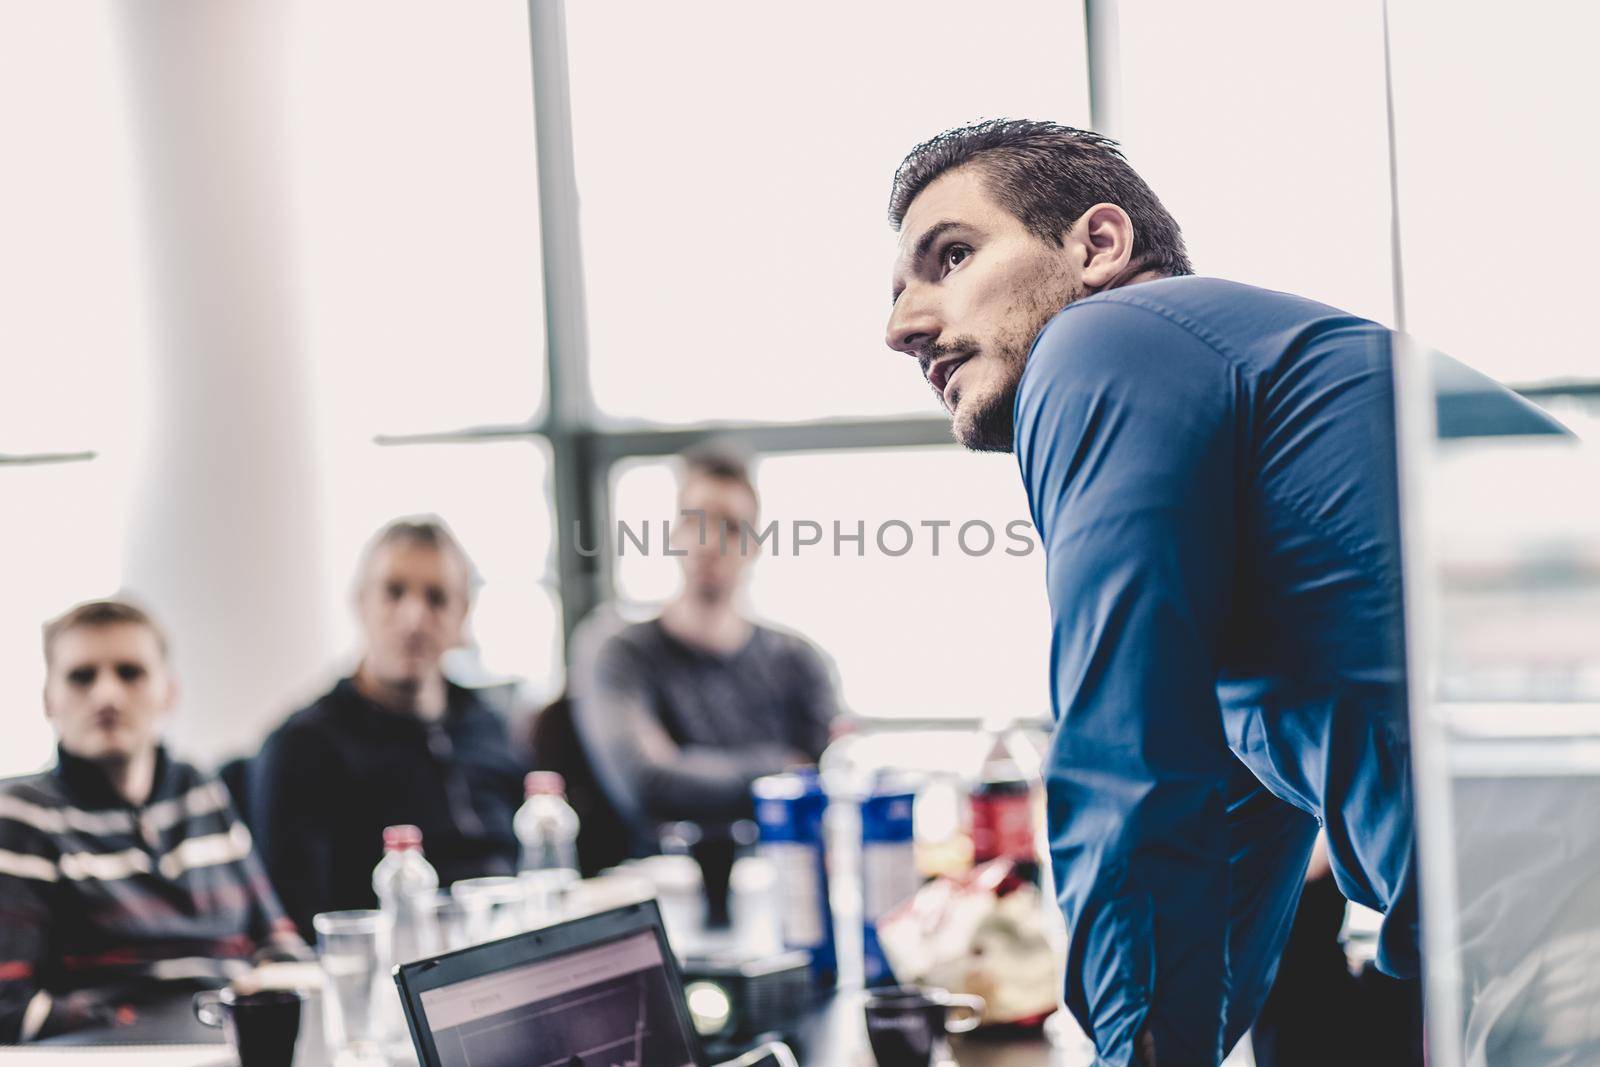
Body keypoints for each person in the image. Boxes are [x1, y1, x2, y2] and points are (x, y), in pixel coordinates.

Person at [882, 119, 1425, 1066]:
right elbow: (1214, 861)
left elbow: (1128, 750)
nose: (902, 327)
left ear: (1099, 245)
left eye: (953, 256)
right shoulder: (1236, 421)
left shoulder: (1105, 340)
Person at [0, 599, 306, 1043]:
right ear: (49, 700)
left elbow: (278, 942)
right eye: (82, 676)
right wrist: (133, 1022)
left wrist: (270, 991)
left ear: (169, 692)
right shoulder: (24, 815)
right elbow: (8, 1008)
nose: (107, 694)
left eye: (130, 672)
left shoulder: (199, 789)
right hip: (119, 1050)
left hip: (233, 1042)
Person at [250, 518, 525, 939]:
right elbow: (304, 923)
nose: (414, 617)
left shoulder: (487, 723)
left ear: (462, 614)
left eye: (436, 598)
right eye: (394, 592)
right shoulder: (303, 747)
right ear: (361, 603)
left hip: (509, 945)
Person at [571, 444, 838, 855]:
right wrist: (782, 767)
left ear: (755, 544)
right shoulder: (620, 653)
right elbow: (649, 784)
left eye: (731, 527)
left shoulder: (800, 661)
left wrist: (686, 765)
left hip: (784, 878)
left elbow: (827, 784)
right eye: (695, 521)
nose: (709, 541)